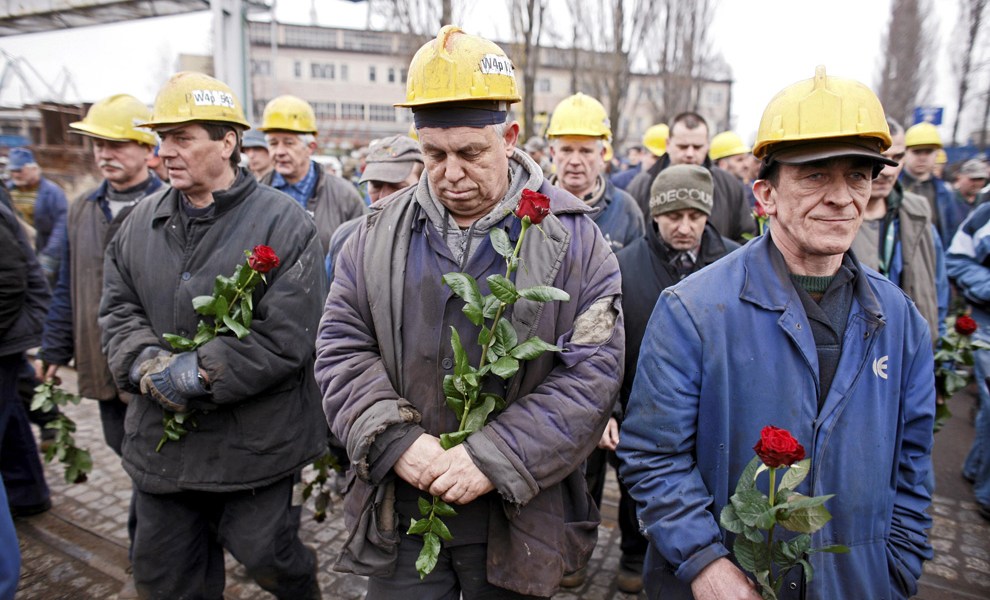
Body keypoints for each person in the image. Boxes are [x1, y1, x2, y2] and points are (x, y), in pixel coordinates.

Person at [316, 26, 623, 598]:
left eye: (470, 153)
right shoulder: (373, 236)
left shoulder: (578, 243)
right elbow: (340, 346)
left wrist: (493, 457)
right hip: (403, 506)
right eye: (434, 155)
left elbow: (592, 376)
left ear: (509, 137)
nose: (451, 173)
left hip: (519, 510)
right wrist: (395, 441)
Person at [618, 66, 935, 599]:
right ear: (764, 195)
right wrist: (704, 565)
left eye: (858, 175)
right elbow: (653, 457)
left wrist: (895, 567)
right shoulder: (694, 311)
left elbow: (913, 462)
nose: (842, 197)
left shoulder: (900, 321)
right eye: (815, 176)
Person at [98, 72, 325, 599]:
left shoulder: (284, 223)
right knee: (164, 576)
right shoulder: (138, 223)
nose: (166, 152)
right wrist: (145, 364)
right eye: (163, 138)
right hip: (163, 448)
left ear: (227, 143)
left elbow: (288, 333)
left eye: (182, 138)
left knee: (268, 558)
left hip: (254, 447)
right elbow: (117, 310)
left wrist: (199, 372)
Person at [35, 93, 165, 597]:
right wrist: (52, 350)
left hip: (154, 370)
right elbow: (67, 286)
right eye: (98, 145)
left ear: (147, 149)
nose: (104, 154)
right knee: (129, 458)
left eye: (116, 144)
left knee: (149, 466)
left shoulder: (168, 206)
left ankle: (148, 559)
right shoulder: (81, 210)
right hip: (102, 365)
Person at [609, 164, 738, 593]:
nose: (685, 228)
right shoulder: (624, 266)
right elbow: (606, 345)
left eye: (695, 216)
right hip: (642, 405)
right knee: (636, 486)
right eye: (673, 216)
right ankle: (632, 551)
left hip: (715, 404)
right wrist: (611, 408)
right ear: (655, 215)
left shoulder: (736, 263)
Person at [850, 117, 948, 342]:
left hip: (912, 347)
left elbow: (938, 288)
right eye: (880, 158)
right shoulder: (833, 217)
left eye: (898, 157)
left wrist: (937, 344)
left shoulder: (918, 213)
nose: (889, 170)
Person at [258, 94, 366, 254]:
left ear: (310, 147)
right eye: (273, 143)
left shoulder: (344, 196)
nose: (279, 151)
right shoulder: (255, 196)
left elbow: (361, 252)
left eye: (289, 143)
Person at [627, 113, 756, 242]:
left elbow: (745, 237)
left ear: (707, 145)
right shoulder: (641, 186)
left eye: (697, 147)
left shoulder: (729, 186)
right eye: (682, 147)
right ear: (668, 144)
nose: (690, 153)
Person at [0, 197, 52, 520]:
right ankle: (26, 494)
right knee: (13, 411)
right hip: (10, 335)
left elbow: (9, 281)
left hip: (8, 333)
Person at [546, 92, 644, 253]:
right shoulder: (531, 205)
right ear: (553, 152)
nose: (575, 161)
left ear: (602, 154)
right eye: (566, 150)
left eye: (585, 151)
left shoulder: (625, 209)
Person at [325, 135, 425, 284]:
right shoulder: (345, 236)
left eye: (397, 187)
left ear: (424, 185)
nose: (383, 197)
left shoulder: (437, 243)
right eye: (376, 185)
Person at [6, 147, 68, 283]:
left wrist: (50, 256)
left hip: (42, 251)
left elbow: (61, 224)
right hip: (14, 254)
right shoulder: (7, 190)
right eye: (12, 171)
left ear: (33, 169)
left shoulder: (53, 192)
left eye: (20, 170)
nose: (16, 175)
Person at [900, 122, 960, 246]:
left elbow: (951, 232)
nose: (922, 158)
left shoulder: (945, 192)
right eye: (917, 152)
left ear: (936, 154)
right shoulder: (890, 186)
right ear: (905, 153)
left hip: (932, 253)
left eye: (928, 152)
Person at [611, 125, 666, 191]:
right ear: (643, 154)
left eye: (664, 159)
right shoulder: (620, 180)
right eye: (655, 157)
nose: (659, 163)